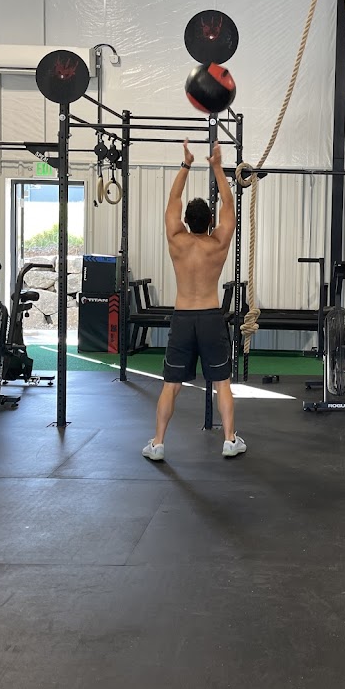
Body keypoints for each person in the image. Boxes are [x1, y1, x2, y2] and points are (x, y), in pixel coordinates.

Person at [143, 139, 246, 462]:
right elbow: (229, 207)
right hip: (211, 317)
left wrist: (186, 164)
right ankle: (229, 440)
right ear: (210, 220)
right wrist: (217, 167)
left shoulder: (177, 239)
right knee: (222, 383)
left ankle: (158, 443)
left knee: (171, 385)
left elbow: (173, 200)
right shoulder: (219, 242)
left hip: (184, 318)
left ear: (186, 221)